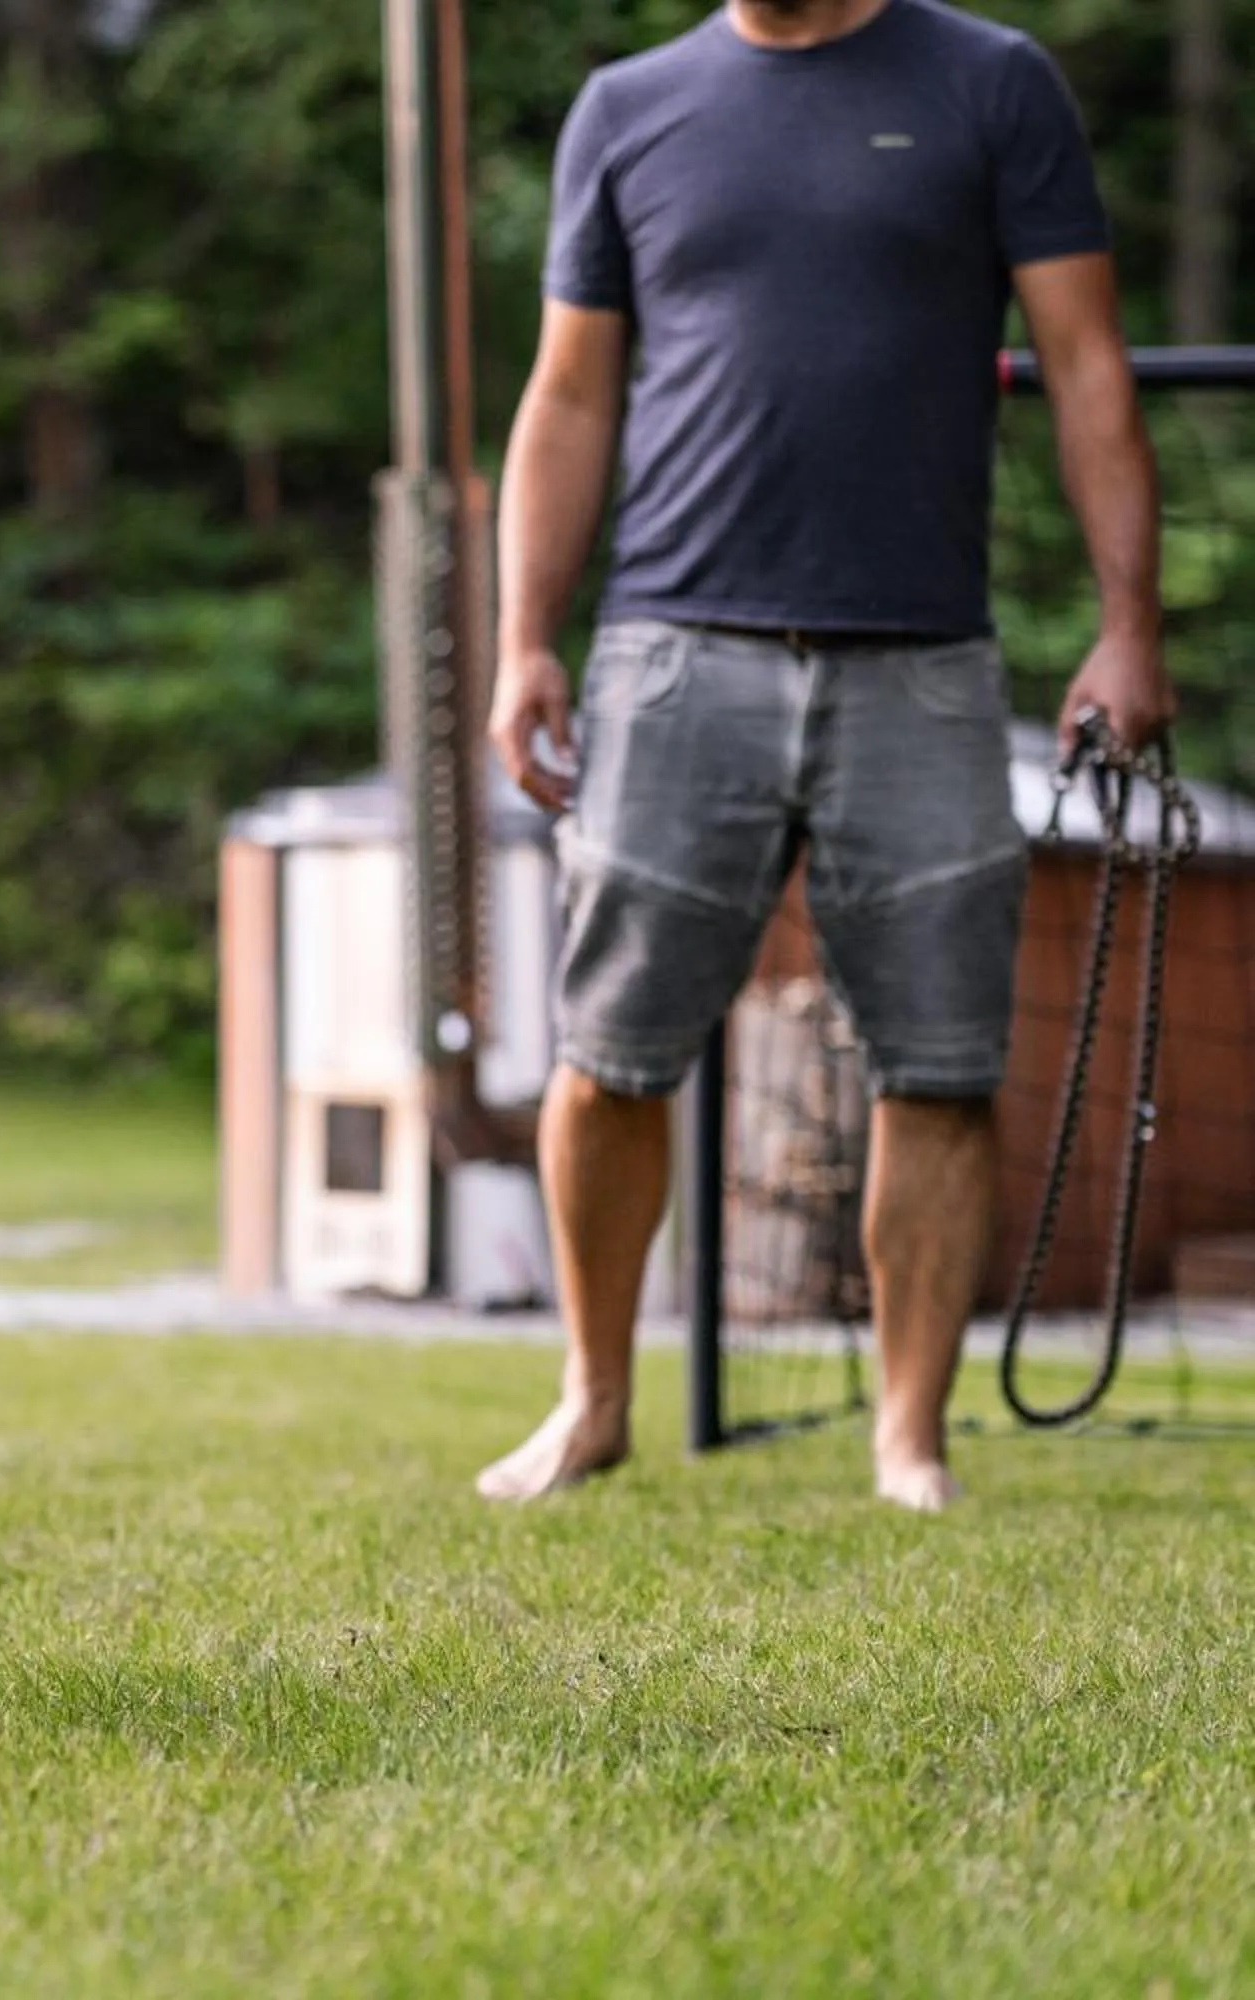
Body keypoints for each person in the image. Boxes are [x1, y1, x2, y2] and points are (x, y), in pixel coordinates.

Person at [477, 0, 1170, 1510]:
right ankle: (593, 1402)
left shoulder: (991, 85)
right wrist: (526, 633)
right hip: (671, 658)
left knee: (938, 1068)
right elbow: (569, 393)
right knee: (606, 1061)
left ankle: (907, 1441)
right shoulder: (628, 108)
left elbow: (1091, 366)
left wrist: (1129, 629)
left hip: (923, 665)